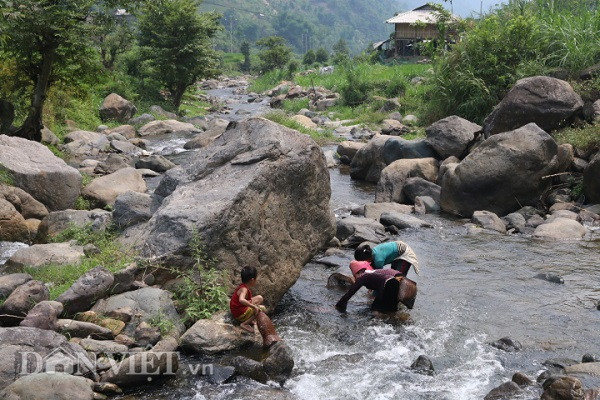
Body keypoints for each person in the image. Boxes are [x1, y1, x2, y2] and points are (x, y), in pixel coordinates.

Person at [335, 261, 409, 313]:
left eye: (355, 276)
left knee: (375, 310)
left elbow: (351, 292)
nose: (355, 278)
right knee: (392, 309)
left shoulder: (363, 277)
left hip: (391, 282)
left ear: (359, 272)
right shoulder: (372, 273)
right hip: (400, 279)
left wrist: (338, 306)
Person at [230, 266, 266, 332]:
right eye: (256, 279)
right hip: (240, 313)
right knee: (262, 309)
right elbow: (241, 299)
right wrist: (254, 306)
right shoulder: (244, 289)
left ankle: (250, 319)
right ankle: (244, 324)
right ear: (252, 280)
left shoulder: (243, 286)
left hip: (239, 308)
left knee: (259, 298)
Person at [354, 240, 420, 276]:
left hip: (404, 254)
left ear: (366, 259)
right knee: (392, 274)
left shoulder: (379, 260)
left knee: (398, 277)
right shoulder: (372, 252)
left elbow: (379, 277)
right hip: (396, 249)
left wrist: (374, 294)